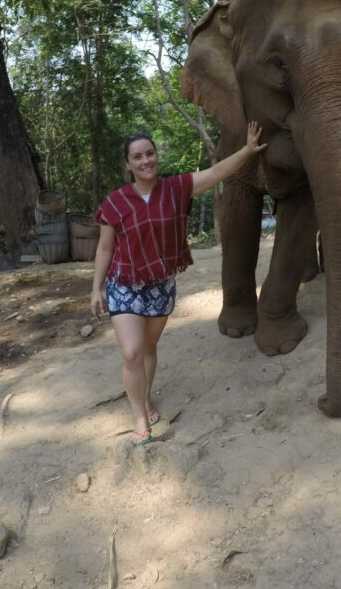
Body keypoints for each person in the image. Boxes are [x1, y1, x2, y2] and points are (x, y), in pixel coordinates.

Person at [92, 122, 266, 446]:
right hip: (124, 284)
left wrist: (246, 150)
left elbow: (215, 174)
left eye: (150, 153)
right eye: (137, 157)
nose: (146, 161)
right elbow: (105, 248)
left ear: (156, 156)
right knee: (132, 351)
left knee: (149, 348)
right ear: (127, 164)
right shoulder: (115, 202)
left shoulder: (176, 188)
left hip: (160, 285)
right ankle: (140, 419)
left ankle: (145, 398)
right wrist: (95, 288)